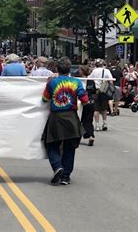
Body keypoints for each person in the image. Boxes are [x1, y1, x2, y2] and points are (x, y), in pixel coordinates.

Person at [42, 57, 89, 185]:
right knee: (69, 147)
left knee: (51, 144)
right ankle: (66, 176)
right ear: (69, 70)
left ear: (57, 69)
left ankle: (57, 166)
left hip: (56, 117)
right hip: (71, 118)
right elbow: (85, 100)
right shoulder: (76, 82)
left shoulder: (52, 82)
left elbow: (44, 99)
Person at [88, 59, 114, 131]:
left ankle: (97, 125)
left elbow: (89, 78)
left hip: (96, 90)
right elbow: (111, 81)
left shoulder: (94, 71)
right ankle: (105, 123)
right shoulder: (106, 71)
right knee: (104, 108)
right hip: (104, 91)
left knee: (96, 109)